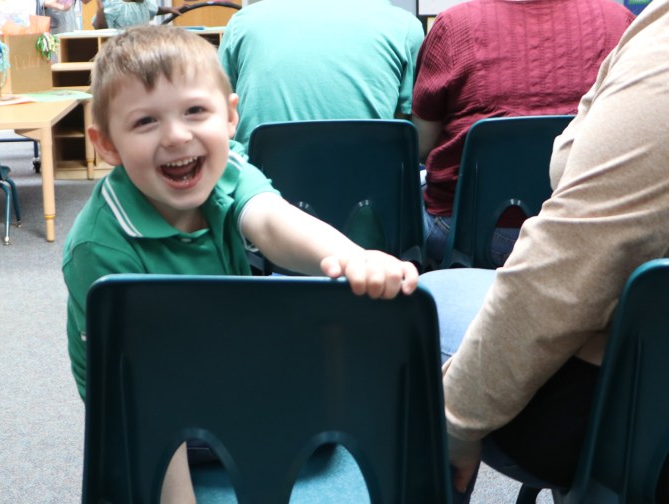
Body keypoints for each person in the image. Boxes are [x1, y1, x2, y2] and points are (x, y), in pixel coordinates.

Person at [63, 24, 419, 502]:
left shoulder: (227, 167)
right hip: (146, 406)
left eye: (195, 111)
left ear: (230, 117)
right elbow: (139, 396)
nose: (176, 135)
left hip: (227, 367)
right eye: (145, 122)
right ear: (106, 145)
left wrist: (354, 258)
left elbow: (272, 222)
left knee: (364, 367)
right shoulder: (100, 247)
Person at [424, 0, 669, 500]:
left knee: (413, 309)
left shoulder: (453, 26)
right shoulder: (616, 19)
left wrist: (455, 417)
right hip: (618, 296)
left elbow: (576, 254)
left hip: (624, 382)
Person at [412, 0, 634, 268]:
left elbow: (422, 146)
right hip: (583, 233)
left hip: (469, 238)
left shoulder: (452, 26)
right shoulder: (619, 22)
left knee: (410, 192)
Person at [218, 0, 425, 148]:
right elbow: (402, 131)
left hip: (261, 198)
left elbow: (221, 118)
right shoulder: (405, 27)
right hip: (367, 199)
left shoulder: (242, 25)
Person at [91, 0, 184, 30]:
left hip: (142, 44)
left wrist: (170, 9)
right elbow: (99, 27)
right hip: (121, 47)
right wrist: (100, 9)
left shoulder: (144, 3)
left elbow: (155, 9)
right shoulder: (115, 5)